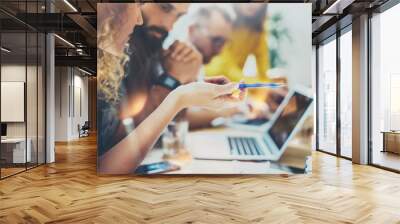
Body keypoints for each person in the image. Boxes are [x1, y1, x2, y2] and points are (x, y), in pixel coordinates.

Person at [97, 3, 245, 174]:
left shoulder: (151, 47)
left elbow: (171, 124)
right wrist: (172, 81)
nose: (169, 25)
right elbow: (120, 142)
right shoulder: (115, 53)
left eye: (178, 16)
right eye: (164, 7)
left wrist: (184, 83)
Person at [205, 3, 270, 102]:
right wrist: (262, 87)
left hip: (232, 88)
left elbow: (263, 69)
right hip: (211, 84)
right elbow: (226, 67)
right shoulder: (223, 20)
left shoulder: (258, 30)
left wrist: (269, 89)